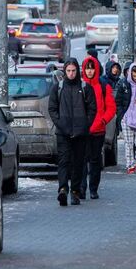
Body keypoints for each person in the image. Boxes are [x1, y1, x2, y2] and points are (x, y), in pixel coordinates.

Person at [48, 58, 97, 206]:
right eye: (68, 71)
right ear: (64, 71)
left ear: (77, 71)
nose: (71, 73)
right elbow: (52, 109)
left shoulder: (85, 87)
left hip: (80, 133)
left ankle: (75, 191)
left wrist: (85, 125)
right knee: (63, 161)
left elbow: (92, 109)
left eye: (73, 71)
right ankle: (63, 189)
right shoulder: (58, 88)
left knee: (78, 163)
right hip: (63, 132)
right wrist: (60, 124)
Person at [79, 56, 116, 200]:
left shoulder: (103, 86)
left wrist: (102, 120)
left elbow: (111, 108)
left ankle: (93, 189)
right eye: (87, 68)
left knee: (95, 161)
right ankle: (81, 188)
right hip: (82, 130)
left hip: (98, 130)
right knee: (81, 161)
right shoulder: (79, 86)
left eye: (92, 68)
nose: (89, 71)